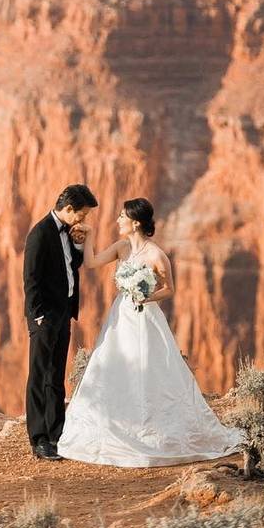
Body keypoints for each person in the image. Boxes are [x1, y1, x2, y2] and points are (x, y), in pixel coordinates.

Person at [56, 198, 244, 467]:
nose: (118, 220)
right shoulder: (122, 248)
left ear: (135, 223)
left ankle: (150, 428)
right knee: (113, 366)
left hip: (145, 317)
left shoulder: (156, 254)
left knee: (147, 367)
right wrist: (90, 237)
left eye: (122, 217)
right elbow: (93, 262)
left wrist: (146, 296)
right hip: (121, 316)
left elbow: (170, 289)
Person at [22, 184, 98, 460]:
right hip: (44, 317)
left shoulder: (68, 232)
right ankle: (39, 439)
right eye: (82, 214)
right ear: (68, 209)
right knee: (39, 375)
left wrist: (78, 243)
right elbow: (30, 279)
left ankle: (57, 434)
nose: (83, 219)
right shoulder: (40, 234)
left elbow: (70, 265)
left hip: (63, 312)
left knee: (55, 376)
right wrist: (37, 315)